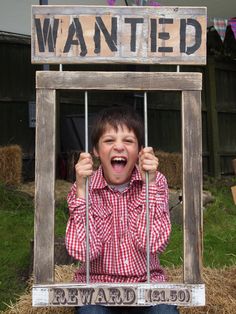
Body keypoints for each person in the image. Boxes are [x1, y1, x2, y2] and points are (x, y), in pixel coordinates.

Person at [65, 106, 179, 314]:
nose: (119, 147)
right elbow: (84, 251)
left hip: (147, 286)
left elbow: (153, 243)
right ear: (96, 151)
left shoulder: (155, 181)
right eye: (109, 141)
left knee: (164, 311)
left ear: (141, 151)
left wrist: (150, 184)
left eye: (128, 141)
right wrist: (81, 190)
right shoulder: (84, 187)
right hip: (97, 290)